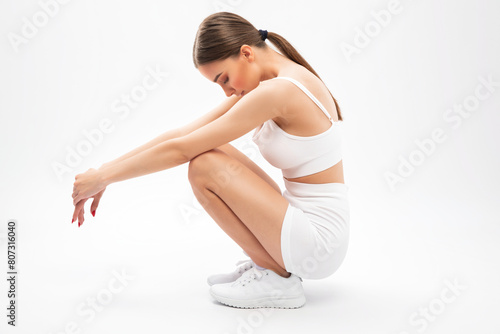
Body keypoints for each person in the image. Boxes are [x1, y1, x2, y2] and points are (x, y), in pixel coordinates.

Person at [71, 12, 350, 309]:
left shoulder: (279, 91)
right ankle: (268, 265)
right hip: (305, 224)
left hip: (319, 242)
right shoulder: (277, 80)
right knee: (212, 151)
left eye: (225, 79)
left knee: (203, 166)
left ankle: (274, 275)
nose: (227, 91)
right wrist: (103, 172)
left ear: (246, 53)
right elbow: (181, 135)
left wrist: (104, 179)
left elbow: (181, 150)